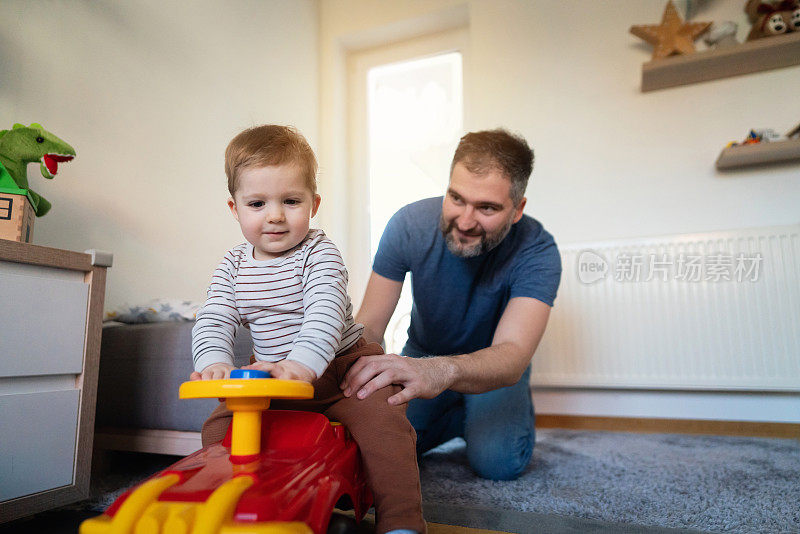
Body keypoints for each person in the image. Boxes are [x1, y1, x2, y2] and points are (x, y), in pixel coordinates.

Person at [190, 125, 425, 534]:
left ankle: (401, 521)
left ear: (314, 204)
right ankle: (234, 506)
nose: (276, 215)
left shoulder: (320, 253)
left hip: (341, 372)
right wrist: (213, 361)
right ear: (235, 209)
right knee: (217, 428)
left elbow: (325, 311)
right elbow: (214, 316)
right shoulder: (232, 265)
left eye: (291, 200)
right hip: (270, 379)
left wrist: (302, 364)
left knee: (385, 423)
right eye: (258, 203)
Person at [341, 128, 561, 481]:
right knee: (375, 449)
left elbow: (514, 352)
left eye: (487, 207)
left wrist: (441, 372)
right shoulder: (407, 225)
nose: (466, 221)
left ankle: (484, 416)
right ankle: (460, 416)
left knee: (498, 463)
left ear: (517, 209)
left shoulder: (539, 250)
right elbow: (371, 325)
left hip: (494, 371)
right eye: (456, 198)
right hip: (424, 356)